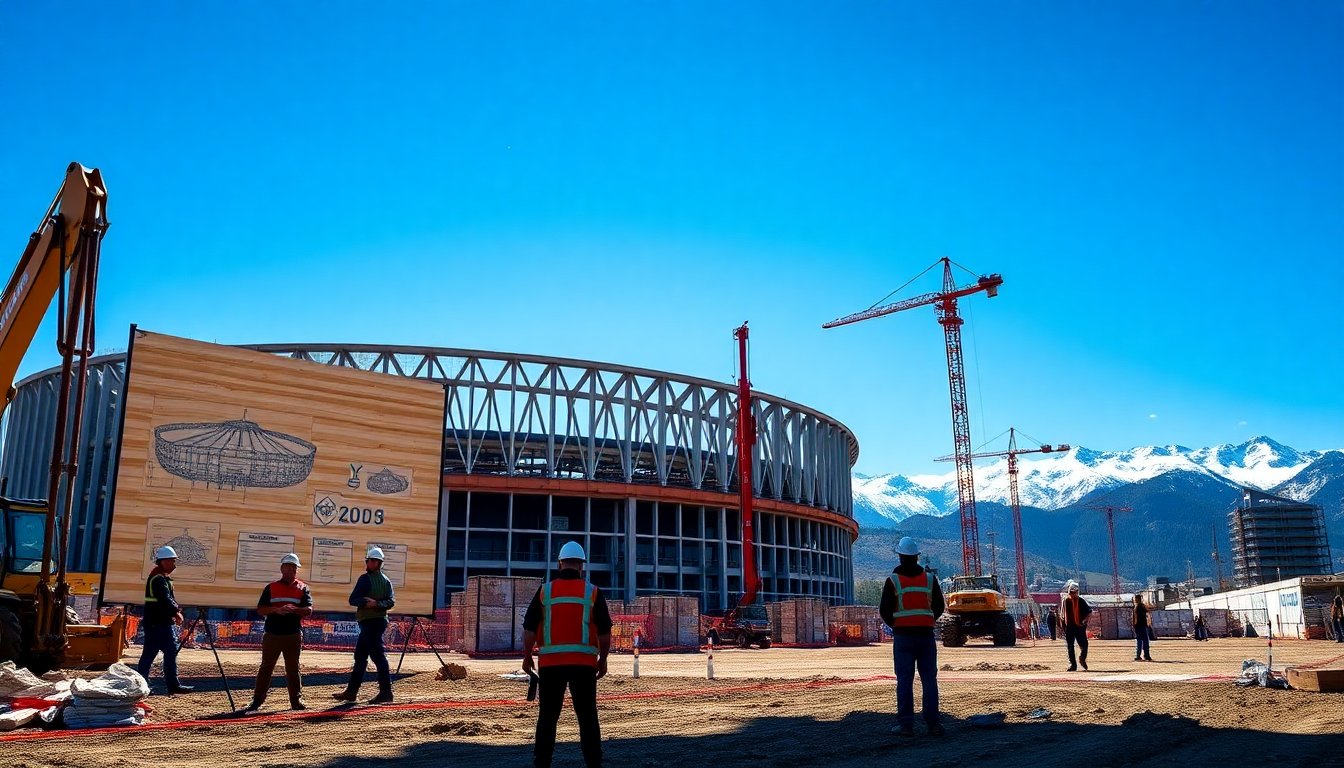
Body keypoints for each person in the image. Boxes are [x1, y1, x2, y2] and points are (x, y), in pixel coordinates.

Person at [522, 541, 613, 768]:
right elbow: (604, 632)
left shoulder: (545, 591)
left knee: (548, 718)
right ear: (582, 566)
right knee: (587, 717)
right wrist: (603, 660)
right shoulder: (592, 593)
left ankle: (542, 762)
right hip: (584, 665)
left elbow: (529, 627)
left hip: (551, 665)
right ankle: (594, 763)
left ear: (559, 563)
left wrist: (527, 656)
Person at [878, 536, 945, 738]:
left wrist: (898, 624)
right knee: (929, 680)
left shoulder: (893, 580)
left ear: (900, 556)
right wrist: (926, 619)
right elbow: (939, 607)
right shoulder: (930, 580)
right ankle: (933, 724)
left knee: (905, 680)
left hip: (904, 637)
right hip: (925, 636)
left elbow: (884, 610)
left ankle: (906, 725)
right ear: (917, 557)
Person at [244, 553, 313, 711]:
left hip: (293, 634)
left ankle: (296, 701)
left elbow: (309, 610)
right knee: (266, 667)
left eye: (294, 568)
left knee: (293, 668)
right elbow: (261, 610)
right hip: (273, 634)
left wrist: (293, 609)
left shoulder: (303, 588)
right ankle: (257, 700)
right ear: (282, 569)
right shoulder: (271, 588)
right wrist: (277, 610)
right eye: (288, 567)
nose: (291, 570)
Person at [333, 547, 396, 704]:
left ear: (377, 562)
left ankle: (386, 693)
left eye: (369, 560)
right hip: (378, 621)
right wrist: (378, 603)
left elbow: (353, 600)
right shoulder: (386, 581)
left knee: (377, 656)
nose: (367, 563)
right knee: (360, 657)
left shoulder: (364, 579)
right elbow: (390, 602)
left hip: (369, 622)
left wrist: (369, 604)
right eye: (367, 560)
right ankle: (352, 692)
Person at [136, 546, 194, 694]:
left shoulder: (161, 577)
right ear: (164, 561)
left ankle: (141, 686)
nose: (174, 565)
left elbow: (168, 599)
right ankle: (172, 685)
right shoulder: (159, 579)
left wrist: (175, 611)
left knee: (149, 655)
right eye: (172, 561)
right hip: (159, 623)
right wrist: (176, 612)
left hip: (156, 623)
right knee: (168, 652)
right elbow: (165, 599)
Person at [1060, 582, 1091, 671]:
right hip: (1069, 627)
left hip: (1079, 626)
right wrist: (1062, 626)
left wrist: (1085, 621)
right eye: (1071, 592)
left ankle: (1082, 658)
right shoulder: (1065, 601)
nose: (1072, 594)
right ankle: (1073, 665)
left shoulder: (1081, 601)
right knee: (1070, 646)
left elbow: (1089, 612)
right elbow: (1062, 614)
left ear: (1077, 592)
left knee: (1084, 645)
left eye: (1074, 592)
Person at [1132, 593, 1153, 661]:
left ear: (1136, 599)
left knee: (1139, 641)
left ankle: (1138, 655)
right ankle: (1147, 656)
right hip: (1144, 625)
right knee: (1146, 641)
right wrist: (1149, 623)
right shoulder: (1143, 606)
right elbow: (1148, 614)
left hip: (1138, 626)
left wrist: (1134, 625)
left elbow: (1136, 617)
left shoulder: (1137, 607)